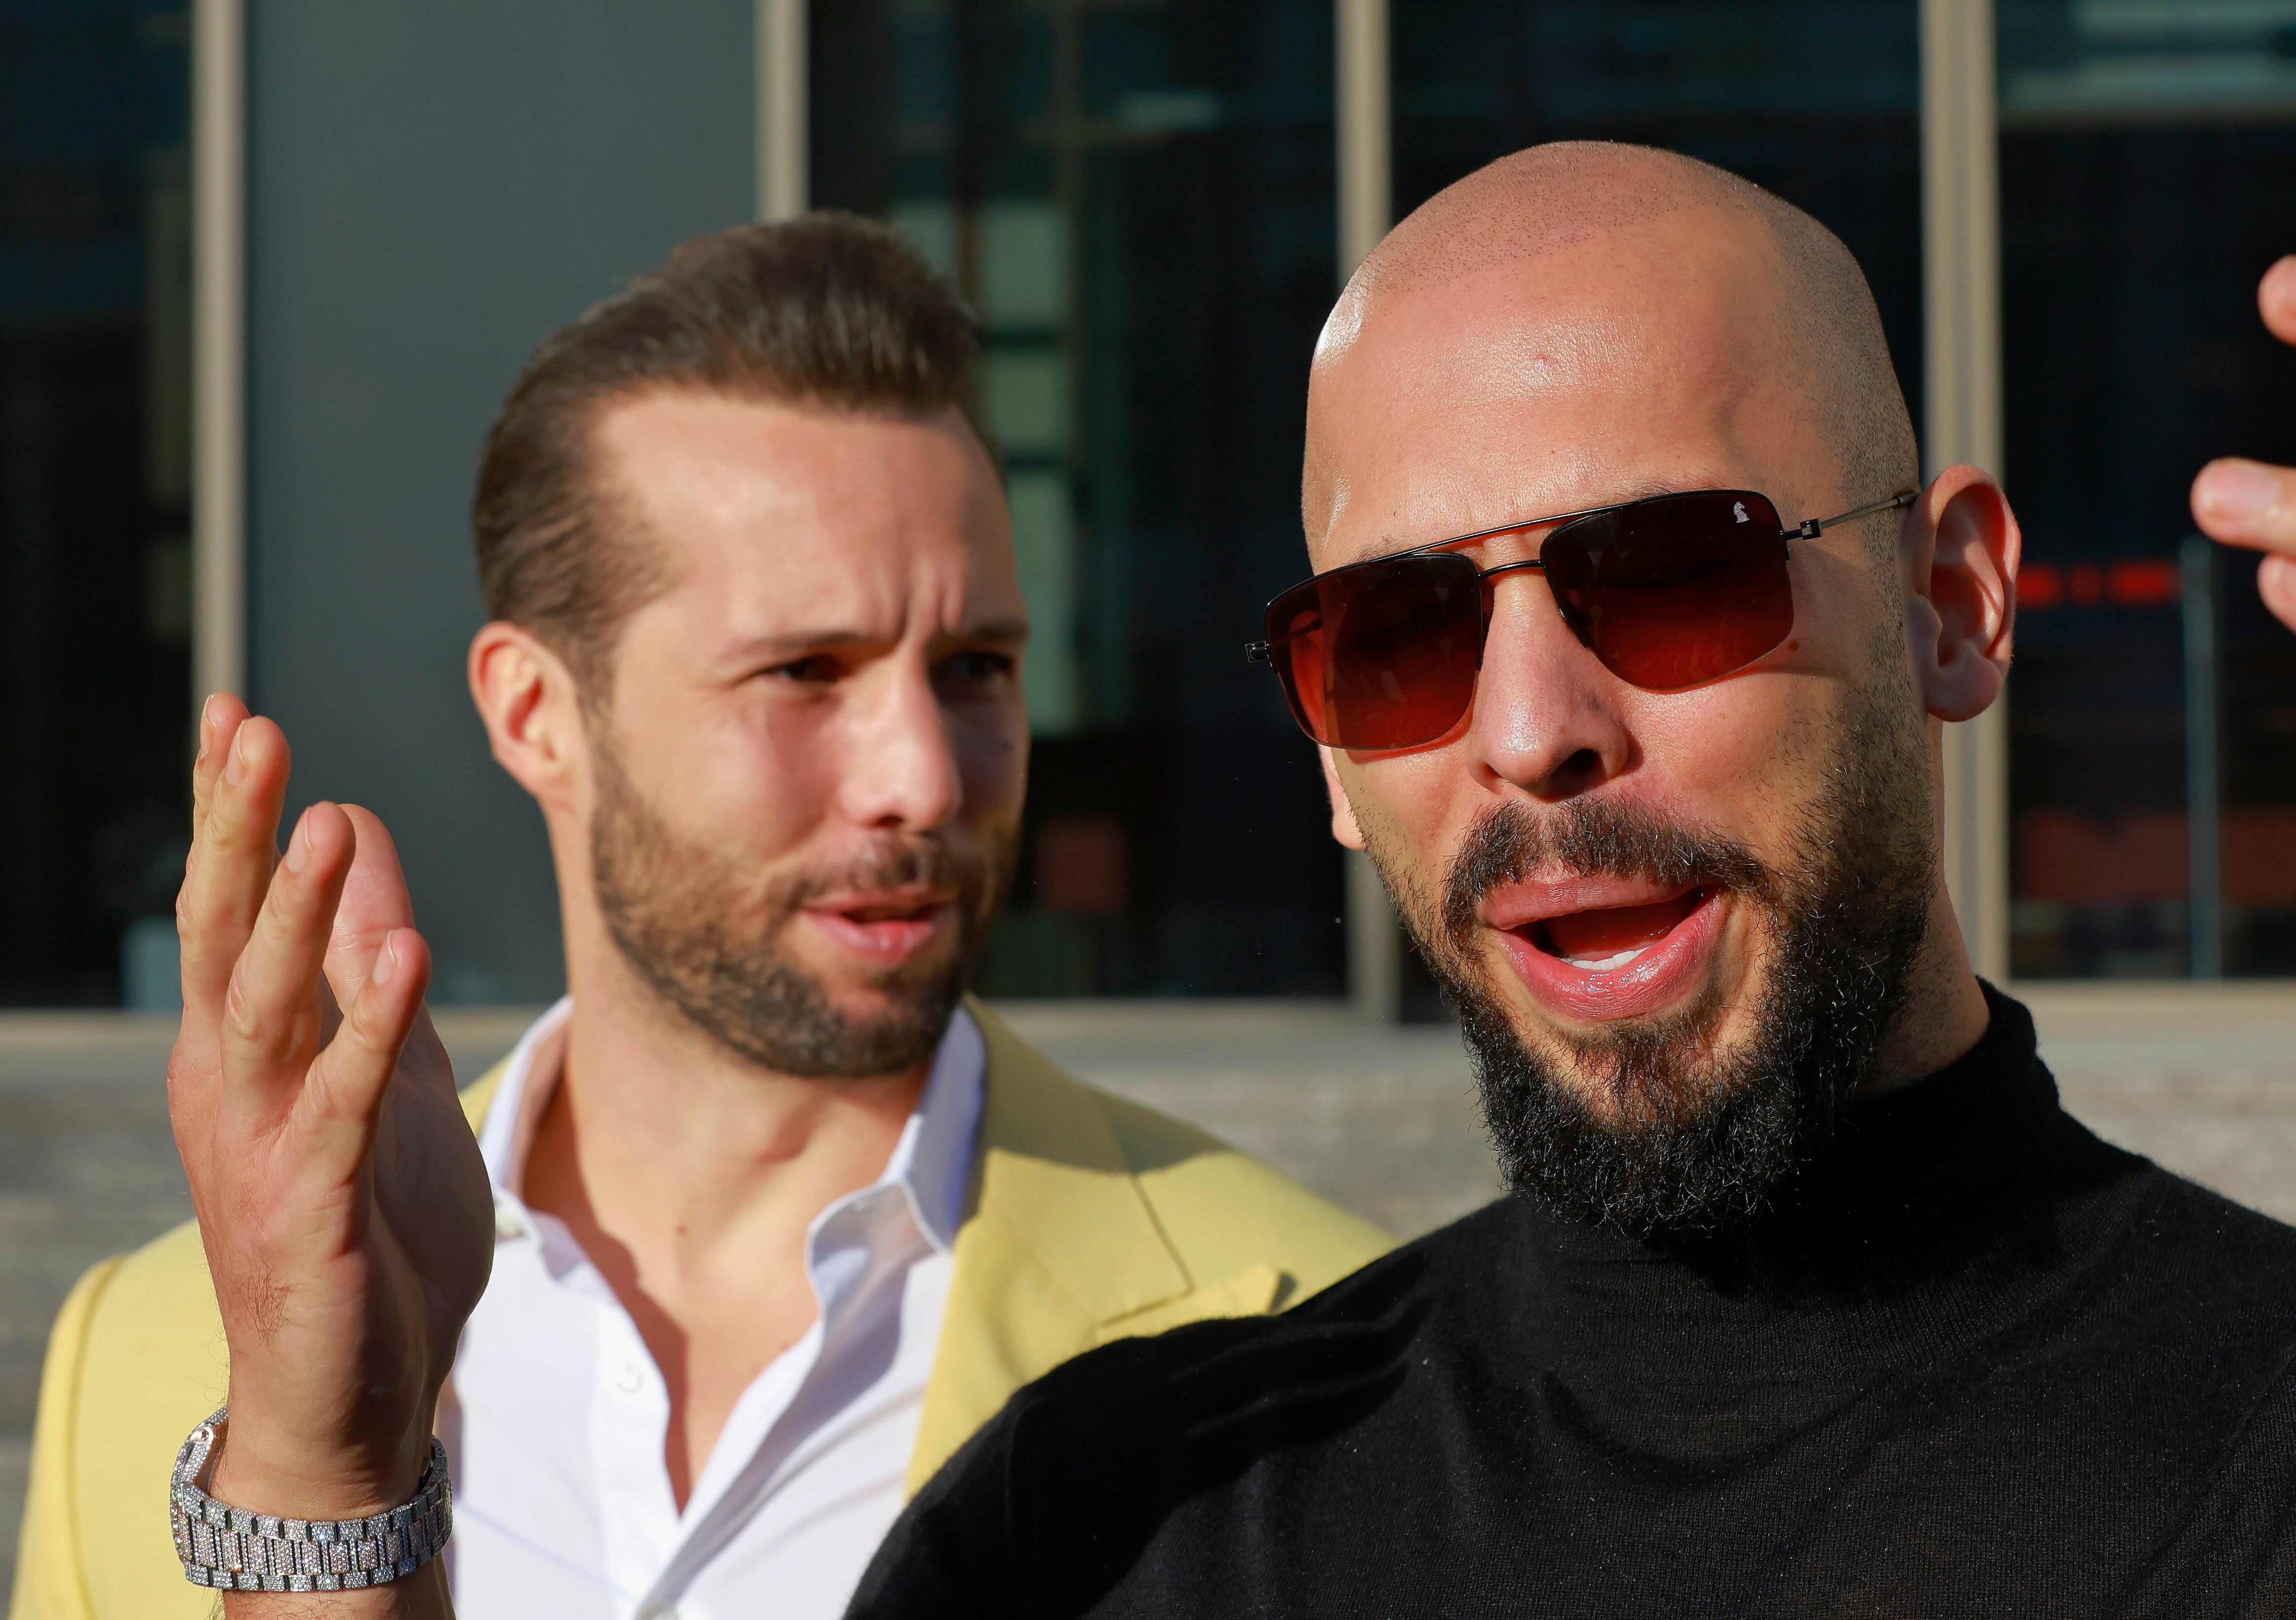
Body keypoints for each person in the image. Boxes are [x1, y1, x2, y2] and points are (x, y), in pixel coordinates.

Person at [846, 144, 2296, 1614]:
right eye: (1396, 635)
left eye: (1672, 571)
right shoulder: (1100, 1539)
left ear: (1951, 605)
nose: (1532, 730)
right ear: (1325, 748)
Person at [9, 213, 1389, 1620]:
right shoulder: (147, 1361)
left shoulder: (1326, 1344)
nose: (921, 774)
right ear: (538, 714)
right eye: (805, 670)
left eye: (975, 665)